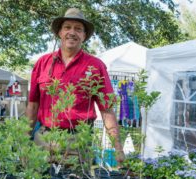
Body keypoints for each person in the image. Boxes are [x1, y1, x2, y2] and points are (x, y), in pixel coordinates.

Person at [26, 8, 124, 163]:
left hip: (77, 140)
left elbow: (106, 110)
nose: (72, 32)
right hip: (43, 138)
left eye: (78, 29)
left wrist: (118, 149)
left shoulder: (95, 67)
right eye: (67, 27)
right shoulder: (43, 63)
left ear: (84, 36)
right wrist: (24, 141)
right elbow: (33, 105)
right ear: (59, 32)